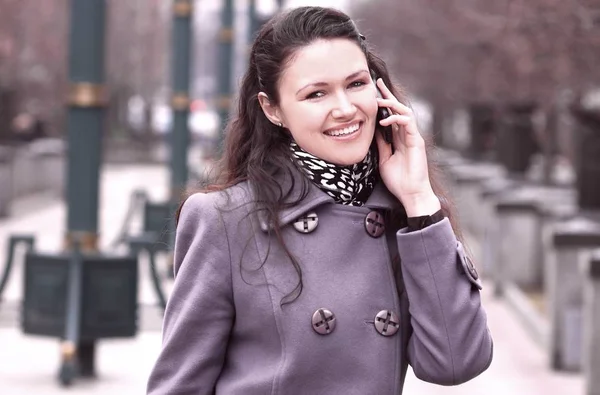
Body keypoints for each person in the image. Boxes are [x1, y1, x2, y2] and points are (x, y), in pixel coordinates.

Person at [147, 6, 493, 395]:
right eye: (316, 93)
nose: (345, 108)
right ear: (273, 109)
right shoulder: (225, 220)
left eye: (357, 84)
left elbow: (454, 362)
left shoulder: (403, 215)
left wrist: (419, 199)